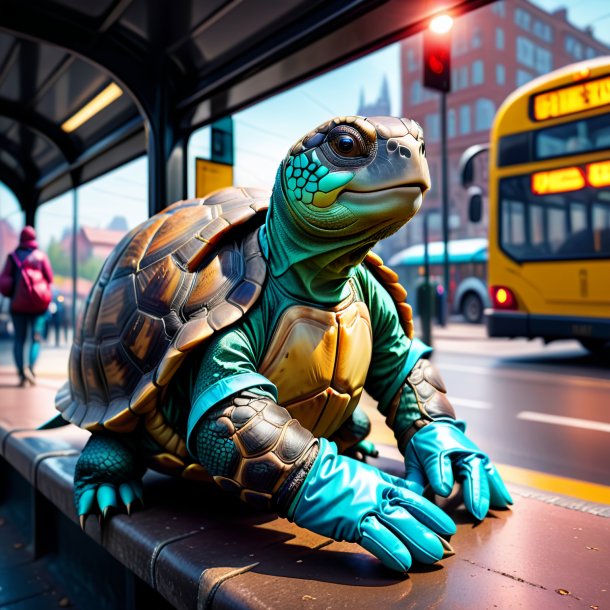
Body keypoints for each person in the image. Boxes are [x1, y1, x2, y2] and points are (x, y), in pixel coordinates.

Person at [0, 226, 53, 386]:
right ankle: (30, 368)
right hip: (38, 306)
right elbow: (49, 278)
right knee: (36, 338)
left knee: (19, 340)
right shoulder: (41, 257)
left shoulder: (13, 257)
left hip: (17, 306)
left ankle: (22, 374)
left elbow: (5, 282)